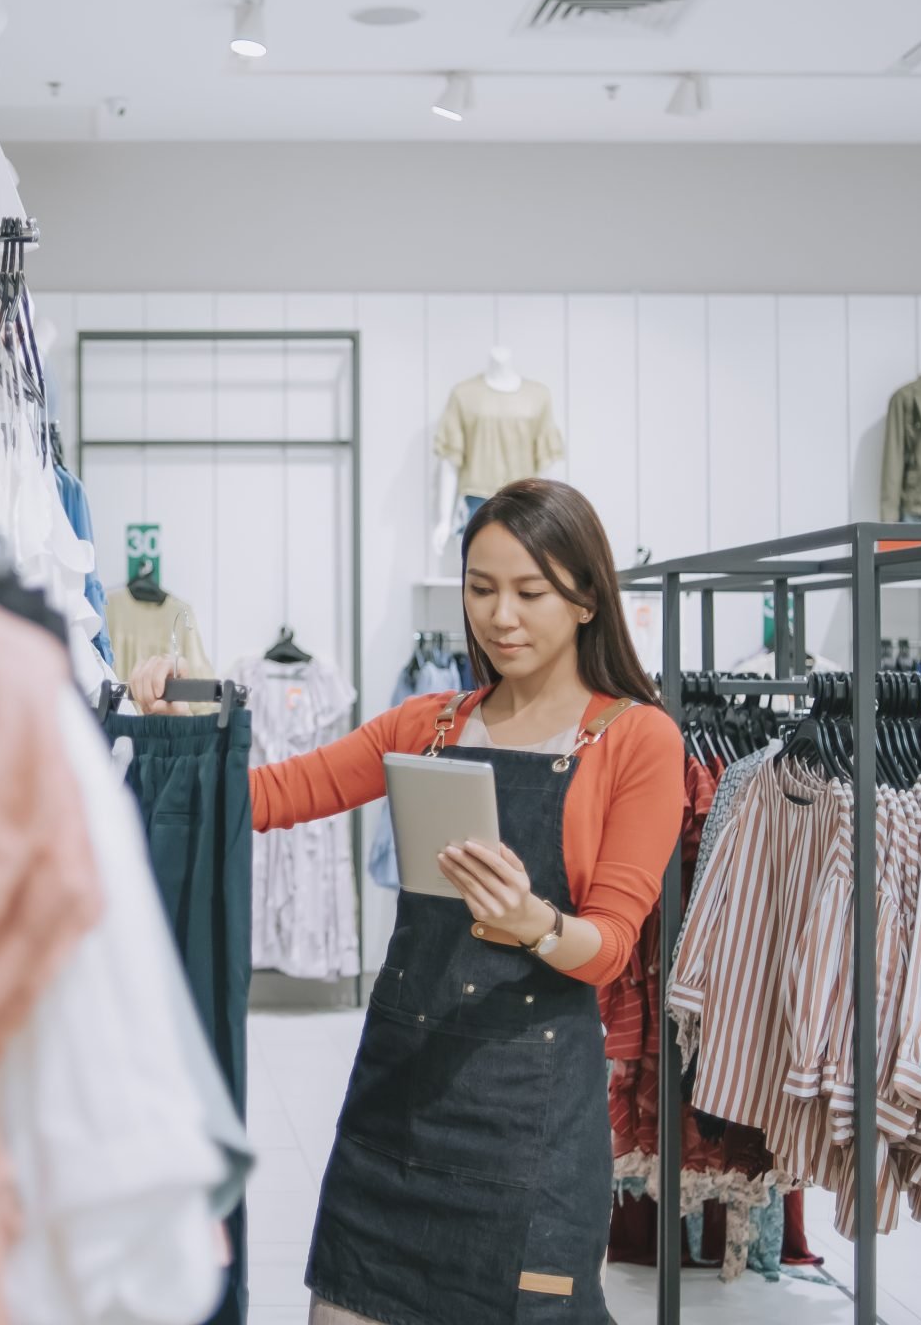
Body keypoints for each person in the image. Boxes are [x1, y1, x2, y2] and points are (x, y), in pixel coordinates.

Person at [130, 477, 685, 1325]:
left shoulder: (637, 739)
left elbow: (610, 945)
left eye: (530, 592)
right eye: (481, 588)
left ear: (585, 599)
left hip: (531, 1120)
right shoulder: (424, 725)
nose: (501, 617)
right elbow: (266, 797)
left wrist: (536, 925)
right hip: (397, 1106)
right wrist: (174, 724)